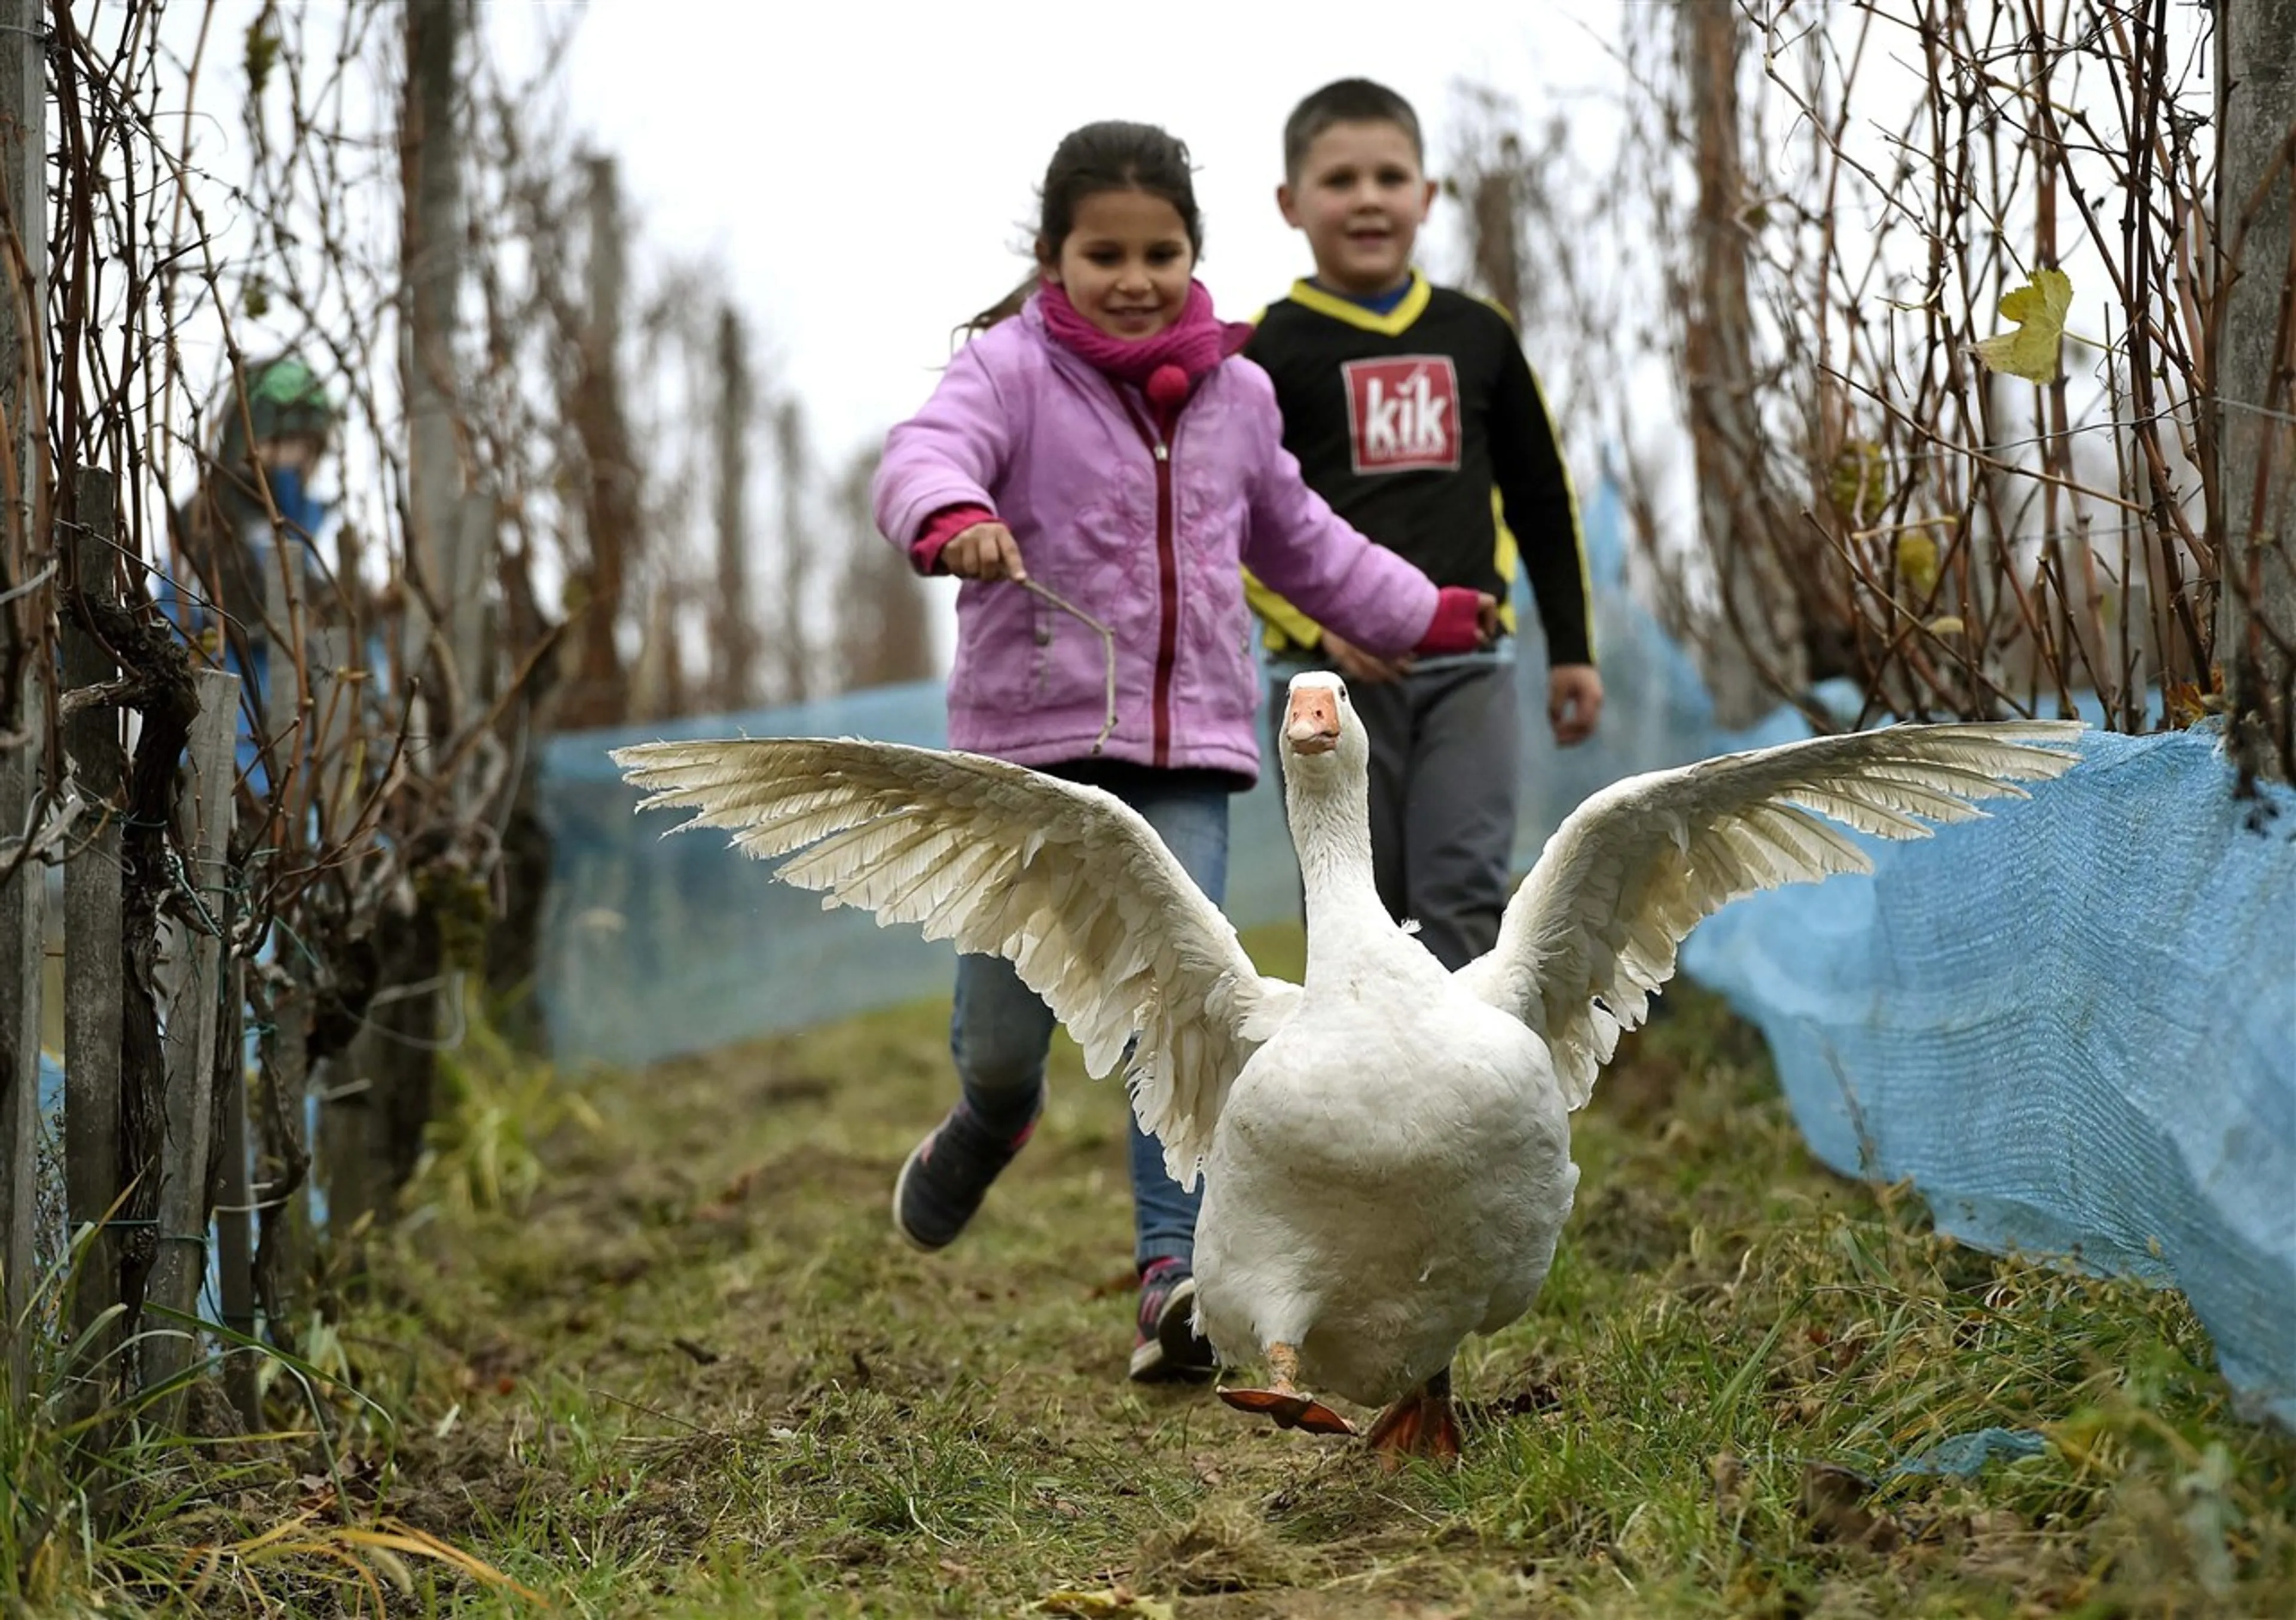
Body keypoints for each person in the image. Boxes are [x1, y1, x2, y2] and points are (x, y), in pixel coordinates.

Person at [871, 119, 1500, 1384]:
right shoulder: (1006, 373)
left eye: (1161, 251)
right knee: (1002, 1036)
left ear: (1196, 252)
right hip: (1027, 756)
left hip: (1187, 752)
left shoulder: (1237, 392)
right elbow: (922, 454)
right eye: (1104, 252)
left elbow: (1306, 540)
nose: (1135, 277)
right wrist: (953, 516)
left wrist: (1413, 610)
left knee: (1182, 1023)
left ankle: (1175, 1270)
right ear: (1054, 256)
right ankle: (995, 1120)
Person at [1243, 78, 1605, 973]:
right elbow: (1232, 514)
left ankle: (1465, 1111)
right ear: (1292, 203)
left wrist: (1572, 647)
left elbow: (1540, 495)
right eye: (1340, 180)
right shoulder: (1263, 350)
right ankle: (1353, 1115)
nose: (1367, 198)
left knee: (1463, 894)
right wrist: (1318, 627)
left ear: (1425, 197)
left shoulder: (1477, 334)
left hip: (1468, 667)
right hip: (1324, 676)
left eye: (1390, 177)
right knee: (1352, 908)